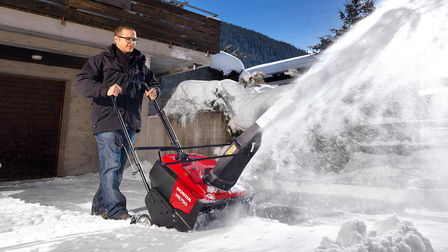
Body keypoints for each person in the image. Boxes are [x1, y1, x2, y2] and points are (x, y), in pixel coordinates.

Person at [74, 26, 160, 220]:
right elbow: (81, 81)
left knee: (116, 171)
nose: (131, 43)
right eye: (127, 39)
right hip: (107, 120)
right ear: (116, 39)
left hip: (129, 122)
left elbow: (153, 82)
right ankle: (115, 210)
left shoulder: (140, 65)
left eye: (134, 40)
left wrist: (154, 91)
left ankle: (99, 206)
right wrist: (105, 89)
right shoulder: (100, 61)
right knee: (111, 167)